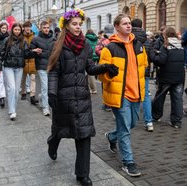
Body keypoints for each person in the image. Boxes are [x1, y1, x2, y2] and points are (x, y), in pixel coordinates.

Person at [47, 8, 118, 186]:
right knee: (60, 129)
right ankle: (52, 142)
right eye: (74, 24)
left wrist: (105, 67)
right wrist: (52, 92)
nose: (78, 27)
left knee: (84, 134)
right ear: (67, 26)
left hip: (83, 96)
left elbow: (90, 69)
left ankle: (82, 174)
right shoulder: (58, 44)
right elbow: (54, 72)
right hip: (64, 97)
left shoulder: (85, 44)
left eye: (80, 24)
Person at [99, 13, 148, 177]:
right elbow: (101, 76)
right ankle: (128, 163)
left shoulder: (139, 45)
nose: (129, 26)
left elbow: (144, 66)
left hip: (137, 93)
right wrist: (108, 73)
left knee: (131, 124)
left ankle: (112, 137)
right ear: (117, 27)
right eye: (125, 23)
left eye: (129, 23)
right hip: (120, 95)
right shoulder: (109, 48)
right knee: (125, 129)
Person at [0, 23, 38, 120]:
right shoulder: (7, 40)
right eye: (15, 29)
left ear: (21, 30)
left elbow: (27, 53)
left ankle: (13, 108)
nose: (17, 31)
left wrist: (34, 52)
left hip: (19, 67)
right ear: (12, 30)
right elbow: (0, 55)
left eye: (19, 30)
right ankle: (12, 111)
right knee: (12, 88)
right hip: (8, 67)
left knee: (16, 91)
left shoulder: (23, 41)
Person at [150, 27, 185, 129]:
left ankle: (156, 116)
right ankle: (177, 122)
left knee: (160, 97)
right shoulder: (180, 46)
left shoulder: (166, 46)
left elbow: (161, 61)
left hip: (166, 77)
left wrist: (152, 55)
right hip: (179, 76)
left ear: (166, 35)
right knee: (177, 99)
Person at [131, 18, 154, 132]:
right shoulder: (148, 41)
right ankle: (149, 122)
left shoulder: (129, 39)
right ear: (142, 26)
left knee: (128, 94)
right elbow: (152, 57)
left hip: (130, 72)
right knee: (145, 96)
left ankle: (126, 117)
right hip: (145, 71)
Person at [30, 21, 54, 116]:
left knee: (50, 88)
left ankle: (40, 97)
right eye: (44, 28)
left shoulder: (53, 39)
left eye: (48, 27)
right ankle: (46, 108)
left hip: (51, 66)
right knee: (45, 87)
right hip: (41, 66)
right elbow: (29, 52)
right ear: (41, 28)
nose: (46, 29)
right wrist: (34, 51)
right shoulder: (35, 39)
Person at [20, 21, 38, 105]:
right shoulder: (20, 37)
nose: (27, 28)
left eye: (29, 27)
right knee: (23, 78)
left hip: (32, 59)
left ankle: (32, 96)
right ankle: (23, 92)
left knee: (33, 78)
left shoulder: (34, 36)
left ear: (31, 27)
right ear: (24, 28)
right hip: (23, 60)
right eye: (26, 27)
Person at [0, 22, 9, 108]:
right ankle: (2, 97)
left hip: (7, 60)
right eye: (2, 28)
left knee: (6, 79)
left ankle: (7, 94)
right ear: (0, 28)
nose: (4, 29)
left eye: (5, 28)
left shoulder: (10, 38)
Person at [85, 29, 99, 94]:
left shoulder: (86, 39)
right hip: (95, 56)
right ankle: (93, 89)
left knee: (89, 73)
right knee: (92, 72)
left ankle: (92, 89)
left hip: (89, 56)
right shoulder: (96, 38)